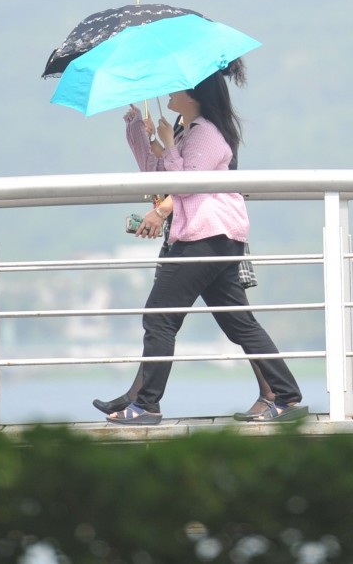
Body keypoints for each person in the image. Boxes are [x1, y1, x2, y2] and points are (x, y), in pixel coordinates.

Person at [93, 61, 307, 425]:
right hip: (210, 238)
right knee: (238, 322)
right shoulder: (187, 132)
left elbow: (187, 183)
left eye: (176, 88)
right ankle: (285, 398)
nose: (169, 93)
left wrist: (167, 148)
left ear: (193, 95)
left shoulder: (205, 133)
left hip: (205, 237)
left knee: (160, 318)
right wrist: (139, 131)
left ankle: (146, 405)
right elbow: (155, 174)